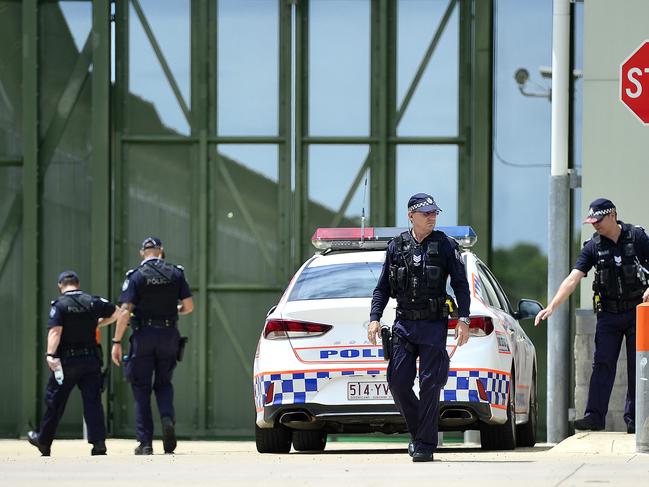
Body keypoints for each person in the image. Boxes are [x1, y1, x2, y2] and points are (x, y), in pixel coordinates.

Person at [368, 193, 471, 462]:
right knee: (398, 382)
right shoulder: (396, 247)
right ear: (411, 215)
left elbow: (461, 285)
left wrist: (464, 319)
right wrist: (375, 318)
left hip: (433, 324)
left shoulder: (446, 246)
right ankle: (421, 433)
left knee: (429, 384)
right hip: (403, 324)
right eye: (426, 213)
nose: (432, 217)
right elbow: (382, 289)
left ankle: (424, 444)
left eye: (434, 213)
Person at [535, 198, 649, 434]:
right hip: (608, 315)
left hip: (637, 312)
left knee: (637, 367)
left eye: (598, 220)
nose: (594, 225)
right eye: (591, 221)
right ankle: (594, 417)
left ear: (612, 216)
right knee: (602, 365)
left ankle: (635, 421)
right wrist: (552, 306)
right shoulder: (593, 247)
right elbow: (572, 278)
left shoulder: (637, 237)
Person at [111, 237, 193, 455]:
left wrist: (116, 341)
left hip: (143, 336)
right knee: (164, 383)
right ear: (161, 251)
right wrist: (172, 311)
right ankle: (167, 418)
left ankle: (145, 443)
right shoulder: (176, 273)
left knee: (141, 388)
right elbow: (189, 306)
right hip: (168, 334)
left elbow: (125, 311)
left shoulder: (135, 276)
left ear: (142, 253)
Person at [27, 271, 119, 456]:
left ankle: (44, 441)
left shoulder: (60, 305)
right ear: (77, 283)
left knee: (55, 401)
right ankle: (99, 443)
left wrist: (50, 354)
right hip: (90, 360)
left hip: (67, 362)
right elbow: (117, 312)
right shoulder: (92, 301)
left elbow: (55, 332)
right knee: (93, 401)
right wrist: (98, 323)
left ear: (61, 285)